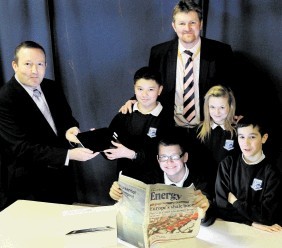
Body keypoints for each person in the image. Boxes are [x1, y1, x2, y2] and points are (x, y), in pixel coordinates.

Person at [0, 41, 98, 210]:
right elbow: (21, 148)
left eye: (40, 64)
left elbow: (68, 120)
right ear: (14, 65)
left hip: (61, 178)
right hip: (29, 186)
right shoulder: (5, 98)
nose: (34, 70)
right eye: (28, 64)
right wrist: (69, 155)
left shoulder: (51, 87)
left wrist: (72, 132)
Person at [120, 0, 235, 129]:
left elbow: (233, 87)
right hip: (170, 128)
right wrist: (135, 99)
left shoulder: (221, 52)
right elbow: (151, 84)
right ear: (174, 26)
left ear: (201, 24)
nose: (187, 28)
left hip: (207, 128)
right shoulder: (159, 53)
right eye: (182, 23)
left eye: (193, 23)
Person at [66, 66, 174, 180]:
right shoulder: (124, 114)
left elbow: (165, 157)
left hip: (156, 180)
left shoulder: (166, 119)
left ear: (160, 90)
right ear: (134, 89)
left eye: (150, 89)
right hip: (125, 179)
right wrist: (99, 141)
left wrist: (131, 154)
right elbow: (111, 148)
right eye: (140, 89)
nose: (144, 94)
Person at [109, 131, 215, 226]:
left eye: (175, 157)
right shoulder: (149, 178)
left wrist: (204, 211)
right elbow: (133, 205)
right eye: (163, 157)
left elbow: (209, 218)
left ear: (185, 157)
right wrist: (118, 193)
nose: (169, 162)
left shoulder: (200, 180)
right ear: (158, 159)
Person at [215, 115, 282, 232]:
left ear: (264, 138)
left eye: (252, 137)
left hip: (262, 233)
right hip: (230, 229)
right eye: (241, 137)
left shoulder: (272, 172)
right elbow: (222, 208)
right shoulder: (227, 165)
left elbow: (266, 215)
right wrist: (250, 222)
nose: (245, 143)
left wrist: (235, 202)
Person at [192, 85, 240, 192]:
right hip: (203, 186)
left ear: (230, 106)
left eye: (222, 107)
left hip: (228, 187)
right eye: (212, 107)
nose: (217, 112)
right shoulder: (198, 131)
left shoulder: (237, 132)